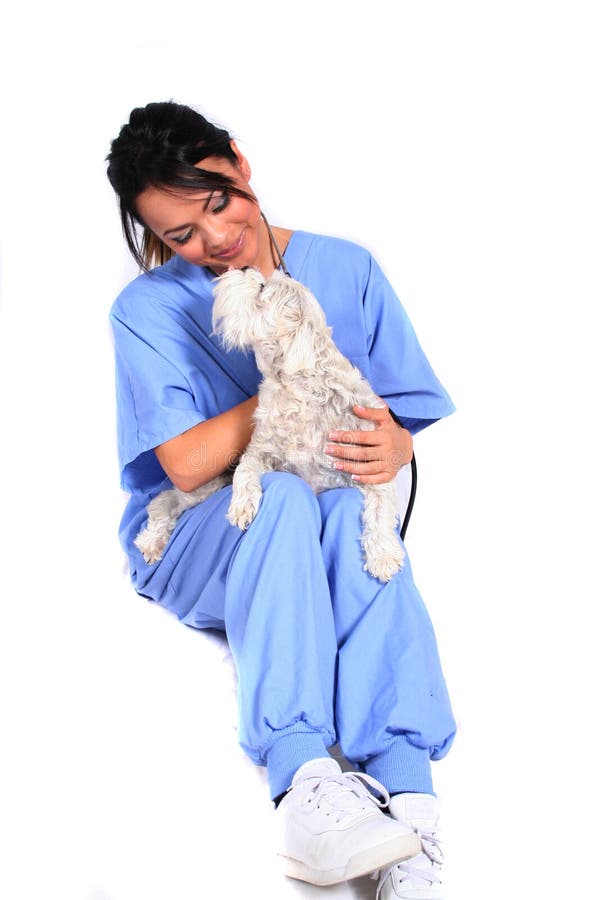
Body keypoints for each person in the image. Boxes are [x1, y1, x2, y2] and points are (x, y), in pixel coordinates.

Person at [106, 100, 456, 898]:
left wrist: (397, 441)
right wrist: (290, 381)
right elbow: (188, 463)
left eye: (218, 202)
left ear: (239, 160)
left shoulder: (346, 267)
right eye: (180, 235)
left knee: (340, 511)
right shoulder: (148, 311)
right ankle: (305, 784)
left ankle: (409, 802)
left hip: (328, 510)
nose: (214, 241)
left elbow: (401, 411)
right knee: (291, 500)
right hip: (204, 536)